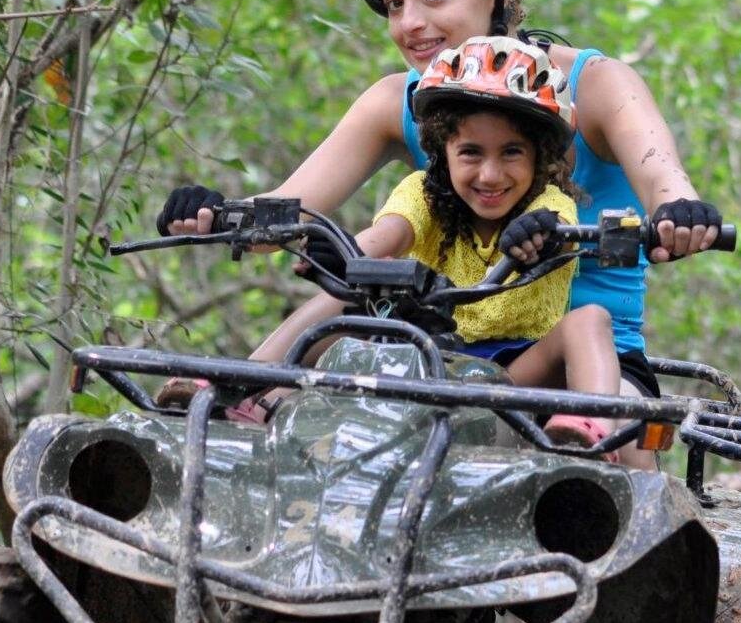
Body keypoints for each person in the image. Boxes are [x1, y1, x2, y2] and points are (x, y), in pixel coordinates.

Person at [155, 0, 721, 406]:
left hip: (586, 360)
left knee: (610, 435)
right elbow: (287, 212)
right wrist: (216, 213)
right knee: (353, 296)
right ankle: (240, 388)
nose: (410, 23)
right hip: (445, 350)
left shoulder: (597, 85)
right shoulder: (397, 99)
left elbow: (662, 177)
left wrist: (680, 211)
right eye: (395, 4)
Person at [247, 36, 622, 454]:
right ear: (444, 150)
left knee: (589, 319)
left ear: (540, 154)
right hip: (424, 357)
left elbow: (558, 229)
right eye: (471, 153)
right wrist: (343, 255)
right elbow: (388, 234)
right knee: (342, 302)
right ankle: (246, 385)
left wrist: (539, 235)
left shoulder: (548, 203)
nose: (490, 174)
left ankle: (586, 430)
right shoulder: (424, 193)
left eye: (512, 152)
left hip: (515, 375)